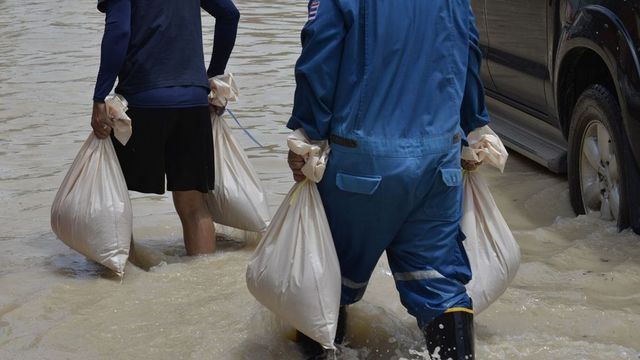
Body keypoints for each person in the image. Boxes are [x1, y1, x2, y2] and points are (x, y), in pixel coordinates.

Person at [286, 0, 488, 359]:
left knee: (324, 285)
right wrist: (473, 127)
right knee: (441, 288)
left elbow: (319, 53)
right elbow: (469, 52)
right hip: (439, 163)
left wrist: (308, 134)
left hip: (361, 166)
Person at [90, 0, 240, 259]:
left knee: (114, 200)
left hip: (143, 100)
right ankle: (205, 286)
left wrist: (100, 95)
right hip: (193, 102)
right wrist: (211, 78)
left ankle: (124, 287)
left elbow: (119, 31)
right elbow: (229, 15)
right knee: (194, 206)